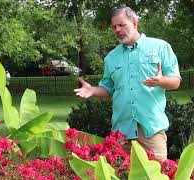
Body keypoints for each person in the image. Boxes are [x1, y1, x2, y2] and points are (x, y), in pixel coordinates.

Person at [74, 6, 181, 161]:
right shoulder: (111, 58)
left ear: (135, 23)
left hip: (151, 130)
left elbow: (176, 81)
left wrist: (162, 81)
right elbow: (108, 89)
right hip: (121, 132)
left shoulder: (160, 47)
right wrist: (93, 90)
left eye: (122, 24)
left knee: (156, 175)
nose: (117, 29)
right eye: (114, 27)